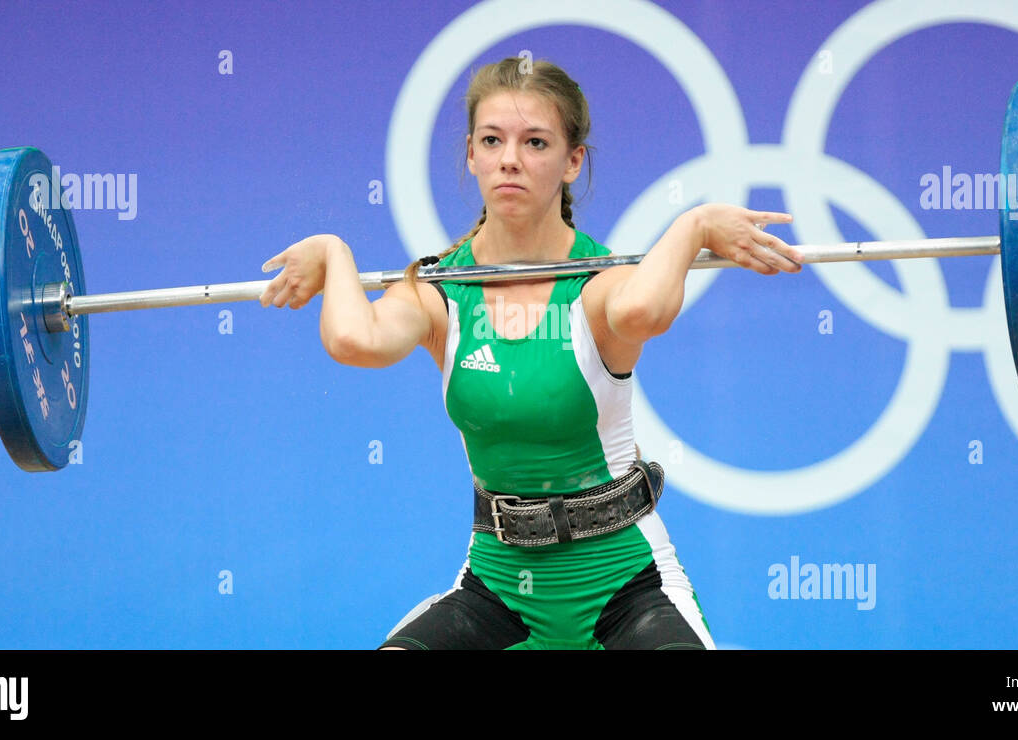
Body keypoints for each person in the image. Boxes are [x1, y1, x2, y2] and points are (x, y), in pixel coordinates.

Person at [258, 58, 802, 649]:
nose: (509, 158)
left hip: (627, 589)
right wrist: (334, 253)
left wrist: (694, 225)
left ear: (573, 161)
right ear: (471, 153)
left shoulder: (599, 284)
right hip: (498, 593)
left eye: (535, 141)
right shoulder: (439, 292)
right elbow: (353, 341)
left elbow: (647, 312)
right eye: (492, 140)